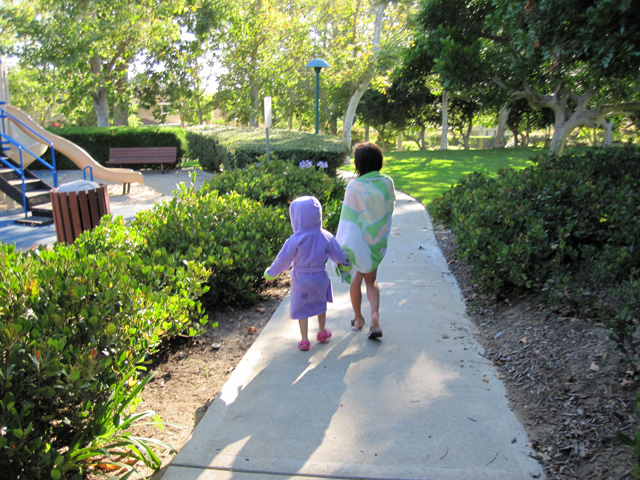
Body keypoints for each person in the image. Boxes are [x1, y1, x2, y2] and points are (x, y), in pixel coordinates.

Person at [264, 195, 350, 351]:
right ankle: (322, 331)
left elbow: (283, 259)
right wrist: (344, 263)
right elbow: (337, 252)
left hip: (301, 280)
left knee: (302, 308)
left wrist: (271, 273)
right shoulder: (325, 236)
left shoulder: (295, 239)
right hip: (320, 278)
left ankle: (304, 339)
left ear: (295, 217)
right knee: (320, 304)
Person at [334, 142, 395, 339]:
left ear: (359, 164)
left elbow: (348, 217)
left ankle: (358, 319)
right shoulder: (387, 183)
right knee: (371, 281)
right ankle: (375, 316)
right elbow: (387, 209)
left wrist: (339, 243)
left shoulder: (354, 186)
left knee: (356, 281)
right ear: (379, 162)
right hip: (374, 241)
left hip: (355, 242)